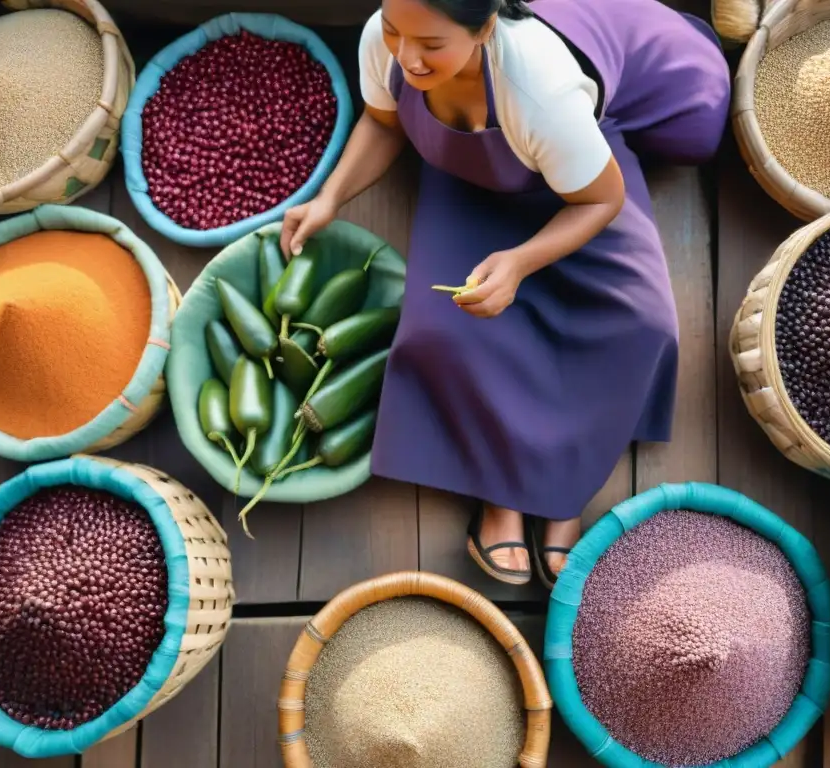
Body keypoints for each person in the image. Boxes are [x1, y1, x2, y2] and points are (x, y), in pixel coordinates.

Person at [281, 0, 730, 588]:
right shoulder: (387, 38)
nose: (408, 56)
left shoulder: (540, 88)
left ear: (485, 28)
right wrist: (330, 198)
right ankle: (503, 494)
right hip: (464, 175)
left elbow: (599, 201)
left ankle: (564, 488)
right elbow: (383, 120)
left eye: (431, 45)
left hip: (574, 187)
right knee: (443, 330)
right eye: (395, 31)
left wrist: (520, 262)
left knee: (641, 327)